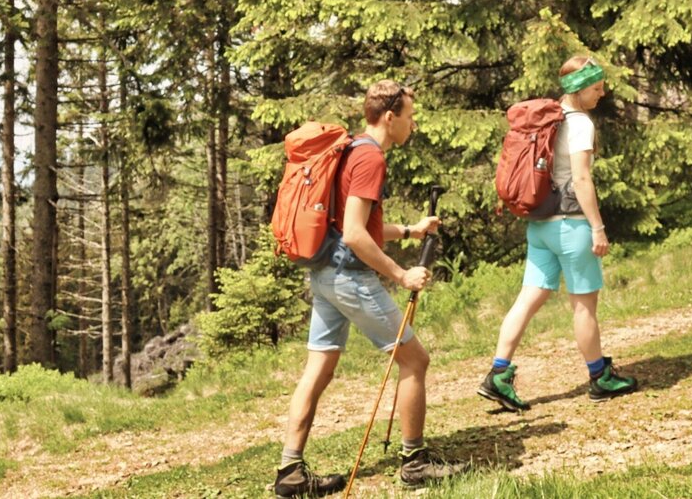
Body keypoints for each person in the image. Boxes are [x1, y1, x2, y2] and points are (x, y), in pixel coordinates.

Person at [273, 80, 466, 498]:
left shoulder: (352, 148)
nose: (412, 125)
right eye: (410, 117)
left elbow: (351, 227)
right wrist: (401, 275)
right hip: (349, 277)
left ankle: (290, 471)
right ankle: (414, 462)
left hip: (324, 274)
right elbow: (358, 236)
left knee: (318, 368)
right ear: (390, 116)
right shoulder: (371, 158)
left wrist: (411, 230)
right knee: (415, 360)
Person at [478, 56, 638, 413]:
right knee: (584, 305)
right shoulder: (579, 124)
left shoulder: (547, 120)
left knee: (527, 299)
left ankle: (498, 374)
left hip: (541, 225)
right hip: (572, 225)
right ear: (579, 89)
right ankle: (600, 378)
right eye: (597, 88)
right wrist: (597, 227)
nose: (603, 93)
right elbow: (581, 178)